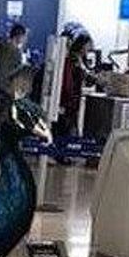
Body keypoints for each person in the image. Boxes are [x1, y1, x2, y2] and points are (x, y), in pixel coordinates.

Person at [54, 34, 96, 165]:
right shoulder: (72, 59)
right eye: (88, 45)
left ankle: (63, 154)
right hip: (69, 98)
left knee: (67, 126)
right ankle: (60, 155)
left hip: (74, 98)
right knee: (64, 127)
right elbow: (69, 80)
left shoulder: (79, 60)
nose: (89, 49)